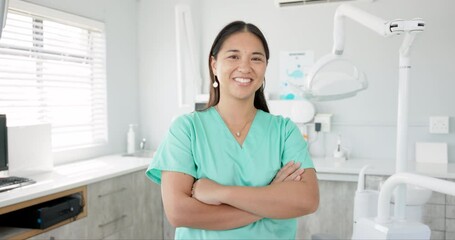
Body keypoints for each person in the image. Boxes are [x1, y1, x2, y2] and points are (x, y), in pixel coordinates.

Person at [146, 20, 319, 239]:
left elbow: (307, 200)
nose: (245, 67)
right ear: (214, 65)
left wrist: (220, 192)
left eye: (256, 58)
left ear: (265, 67)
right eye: (233, 56)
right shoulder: (186, 130)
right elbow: (179, 212)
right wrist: (271, 199)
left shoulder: (284, 131)